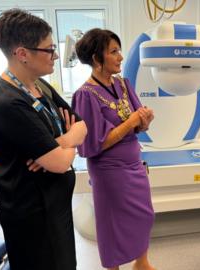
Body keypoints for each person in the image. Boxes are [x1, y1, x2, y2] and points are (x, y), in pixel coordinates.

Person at [0, 8, 87, 270]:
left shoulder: (40, 85)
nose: (55, 56)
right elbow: (59, 163)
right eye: (49, 49)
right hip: (31, 215)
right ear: (22, 54)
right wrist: (66, 143)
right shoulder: (8, 102)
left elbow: (81, 126)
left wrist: (61, 142)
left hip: (55, 206)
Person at [71, 28, 155, 270]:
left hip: (134, 164)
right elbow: (93, 144)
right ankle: (113, 267)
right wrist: (131, 122)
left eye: (119, 50)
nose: (120, 57)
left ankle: (142, 262)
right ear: (97, 59)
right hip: (109, 170)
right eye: (114, 52)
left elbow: (138, 125)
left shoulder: (124, 84)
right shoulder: (85, 96)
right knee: (112, 224)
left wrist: (145, 120)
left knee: (145, 214)